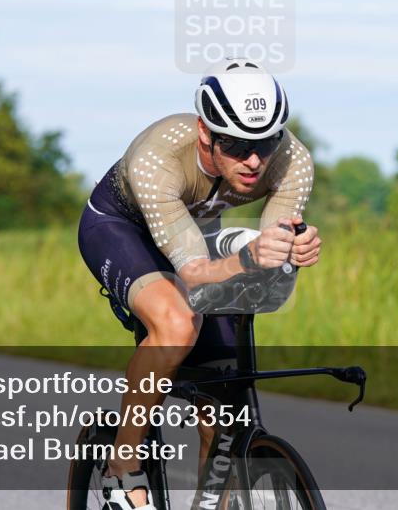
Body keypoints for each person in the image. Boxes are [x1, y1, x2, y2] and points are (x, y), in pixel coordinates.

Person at [77, 61, 321, 509]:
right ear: (205, 133)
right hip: (122, 230)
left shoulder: (292, 161)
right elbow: (192, 273)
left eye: (266, 142)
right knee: (177, 323)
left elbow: (274, 241)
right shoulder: (159, 159)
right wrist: (248, 257)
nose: (254, 160)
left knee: (223, 395)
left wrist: (295, 249)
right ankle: (121, 466)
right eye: (237, 145)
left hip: (199, 237)